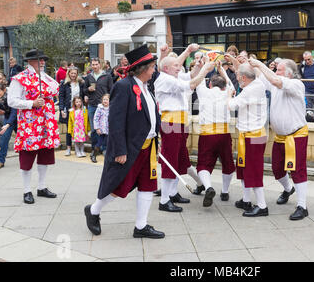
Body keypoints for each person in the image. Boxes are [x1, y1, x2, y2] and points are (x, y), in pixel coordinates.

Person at [84, 44, 166, 239]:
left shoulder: (147, 87)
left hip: (148, 146)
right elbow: (116, 121)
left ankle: (141, 226)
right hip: (130, 148)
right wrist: (120, 150)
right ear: (143, 69)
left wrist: (157, 138)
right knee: (119, 186)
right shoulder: (123, 86)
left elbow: (151, 116)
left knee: (148, 185)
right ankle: (93, 211)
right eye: (153, 67)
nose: (154, 70)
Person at [154, 43, 213, 212]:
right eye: (176, 65)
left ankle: (172, 194)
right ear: (166, 68)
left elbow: (191, 76)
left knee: (178, 159)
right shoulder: (165, 79)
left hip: (179, 121)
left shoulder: (173, 76)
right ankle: (165, 200)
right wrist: (205, 70)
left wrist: (199, 66)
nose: (179, 67)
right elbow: (192, 84)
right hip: (171, 122)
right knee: (170, 159)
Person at [249, 58, 310, 220]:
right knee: (277, 169)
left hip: (296, 135)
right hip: (280, 136)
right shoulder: (275, 82)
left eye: (279, 69)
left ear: (289, 73)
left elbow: (274, 79)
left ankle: (302, 206)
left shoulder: (296, 84)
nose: (276, 72)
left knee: (298, 170)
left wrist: (260, 64)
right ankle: (288, 188)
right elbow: (259, 75)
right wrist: (245, 62)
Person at [7, 49, 60, 204]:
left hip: (45, 123)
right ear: (30, 61)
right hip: (30, 124)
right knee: (27, 158)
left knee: (45, 155)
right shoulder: (19, 78)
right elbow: (12, 101)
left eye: (44, 59)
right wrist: (31, 103)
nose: (43, 62)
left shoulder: (45, 76)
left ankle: (42, 187)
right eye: (40, 59)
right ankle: (26, 190)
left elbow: (56, 87)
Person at [225, 60, 268, 217]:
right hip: (249, 135)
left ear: (243, 78)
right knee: (244, 169)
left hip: (253, 136)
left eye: (238, 75)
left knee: (253, 170)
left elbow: (231, 106)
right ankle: (246, 200)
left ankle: (262, 206)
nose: (236, 78)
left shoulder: (251, 90)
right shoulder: (257, 84)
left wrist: (229, 96)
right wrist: (237, 63)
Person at [195, 61, 236, 206]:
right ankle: (224, 191)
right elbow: (231, 84)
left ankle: (208, 187)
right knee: (228, 163)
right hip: (224, 133)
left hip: (207, 134)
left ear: (210, 85)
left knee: (203, 164)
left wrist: (205, 66)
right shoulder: (227, 92)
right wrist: (221, 70)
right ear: (223, 86)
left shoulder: (204, 92)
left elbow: (198, 80)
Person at [84, 58, 113, 163]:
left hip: (105, 106)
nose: (94, 66)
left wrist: (109, 101)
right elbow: (84, 90)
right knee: (94, 129)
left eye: (96, 64)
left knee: (106, 128)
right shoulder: (89, 77)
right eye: (93, 64)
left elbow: (111, 90)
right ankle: (95, 149)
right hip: (92, 105)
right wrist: (88, 90)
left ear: (100, 65)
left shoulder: (107, 76)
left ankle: (104, 149)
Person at [59, 67, 85, 156]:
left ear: (77, 74)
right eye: (72, 73)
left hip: (79, 109)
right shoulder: (64, 83)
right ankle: (69, 148)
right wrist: (62, 109)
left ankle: (80, 148)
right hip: (69, 110)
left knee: (80, 128)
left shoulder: (81, 83)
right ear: (68, 73)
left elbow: (83, 94)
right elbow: (61, 97)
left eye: (75, 73)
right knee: (69, 129)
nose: (73, 75)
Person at [0, 84, 17, 169]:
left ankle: (28, 156)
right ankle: (1, 161)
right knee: (4, 138)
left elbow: (14, 111)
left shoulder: (11, 95)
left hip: (19, 118)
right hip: (8, 117)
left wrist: (8, 124)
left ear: (4, 90)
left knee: (23, 138)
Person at [93, 94, 110, 158]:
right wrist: (97, 128)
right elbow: (96, 119)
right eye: (104, 99)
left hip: (108, 130)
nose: (105, 101)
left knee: (108, 143)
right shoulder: (99, 108)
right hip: (101, 129)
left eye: (107, 99)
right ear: (102, 101)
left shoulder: (111, 108)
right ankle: (94, 155)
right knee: (99, 143)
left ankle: (107, 155)